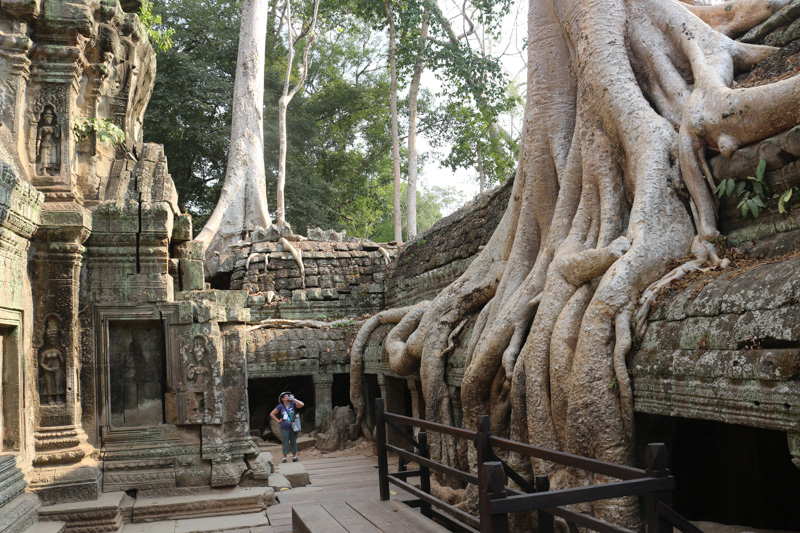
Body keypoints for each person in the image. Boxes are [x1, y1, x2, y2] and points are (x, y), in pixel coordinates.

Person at [270, 391, 304, 463]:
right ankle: (284, 458)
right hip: (284, 427)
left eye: (288, 395)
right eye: (285, 396)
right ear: (282, 399)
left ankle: (294, 457)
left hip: (293, 426)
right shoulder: (280, 406)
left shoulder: (293, 404)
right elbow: (272, 414)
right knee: (285, 442)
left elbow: (302, 404)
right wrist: (278, 421)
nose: (287, 396)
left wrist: (294, 399)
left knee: (293, 441)